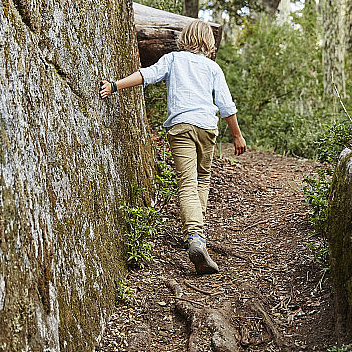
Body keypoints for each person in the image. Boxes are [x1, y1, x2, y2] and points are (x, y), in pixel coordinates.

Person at [100, 20, 246, 274]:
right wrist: (237, 136)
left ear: (185, 37)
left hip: (181, 127)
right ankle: (196, 233)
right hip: (206, 129)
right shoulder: (213, 67)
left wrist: (114, 86)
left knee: (187, 183)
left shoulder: (173, 59)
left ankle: (195, 235)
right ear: (208, 42)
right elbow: (226, 105)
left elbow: (146, 75)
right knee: (202, 178)